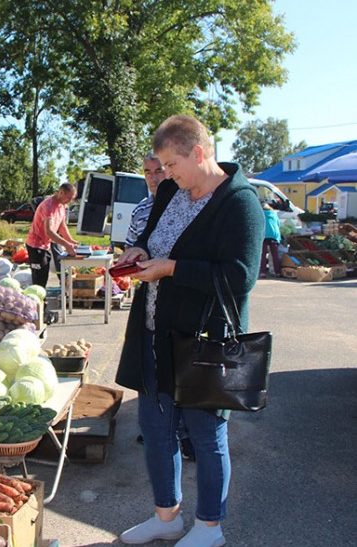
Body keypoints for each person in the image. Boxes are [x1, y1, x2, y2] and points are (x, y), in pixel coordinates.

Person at [114, 115, 263, 546]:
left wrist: (172, 269)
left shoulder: (239, 203)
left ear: (198, 153)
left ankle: (210, 527)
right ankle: (167, 517)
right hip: (154, 332)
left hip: (204, 342)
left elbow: (240, 276)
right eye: (160, 166)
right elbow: (151, 241)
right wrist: (140, 252)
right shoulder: (169, 193)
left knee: (206, 433)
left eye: (171, 164)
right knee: (156, 428)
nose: (165, 173)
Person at [25, 183, 79, 287]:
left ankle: (41, 300)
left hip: (45, 245)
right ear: (61, 192)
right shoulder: (48, 206)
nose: (70, 201)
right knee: (39, 279)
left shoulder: (62, 206)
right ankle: (38, 302)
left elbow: (62, 226)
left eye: (72, 199)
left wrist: (71, 241)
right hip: (35, 246)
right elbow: (49, 231)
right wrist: (67, 245)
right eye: (68, 198)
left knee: (44, 276)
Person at [125, 153, 166, 247]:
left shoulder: (183, 205)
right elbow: (129, 247)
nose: (153, 178)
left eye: (158, 171)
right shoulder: (139, 211)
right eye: (148, 172)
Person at [260, 203, 282, 277]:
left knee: (263, 254)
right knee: (275, 255)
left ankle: (263, 272)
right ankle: (277, 272)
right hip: (274, 235)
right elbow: (278, 224)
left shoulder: (260, 213)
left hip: (264, 235)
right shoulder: (274, 214)